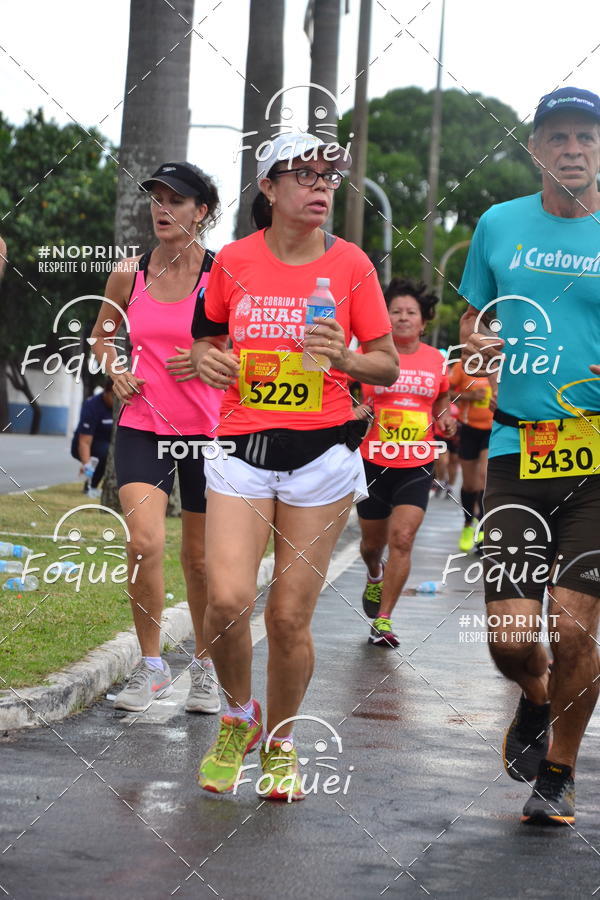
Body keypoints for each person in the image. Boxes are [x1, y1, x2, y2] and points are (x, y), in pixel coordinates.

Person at [191, 132, 398, 800]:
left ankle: (280, 742)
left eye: (329, 177)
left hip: (322, 458)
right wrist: (209, 359)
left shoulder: (352, 267)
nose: (320, 185)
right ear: (269, 188)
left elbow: (387, 364)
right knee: (226, 600)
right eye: (304, 174)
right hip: (241, 453)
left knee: (286, 618)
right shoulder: (233, 262)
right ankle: (236, 716)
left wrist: (343, 358)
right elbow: (206, 339)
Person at [459, 87, 600, 826]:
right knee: (513, 639)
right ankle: (535, 698)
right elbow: (472, 314)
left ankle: (560, 772)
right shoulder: (498, 224)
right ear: (536, 147)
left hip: (599, 458)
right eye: (558, 137)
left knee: (575, 628)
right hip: (518, 448)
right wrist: (477, 339)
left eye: (585, 136)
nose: (572, 148)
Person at [90, 161, 224, 714]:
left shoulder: (224, 275)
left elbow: (250, 349)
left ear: (203, 212)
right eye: (156, 199)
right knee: (144, 544)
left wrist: (215, 360)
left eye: (177, 200)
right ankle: (150, 670)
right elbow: (101, 334)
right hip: (143, 424)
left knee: (200, 561)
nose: (162, 209)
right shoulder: (130, 272)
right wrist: (113, 369)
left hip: (208, 432)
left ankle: (207, 670)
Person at [355, 278, 456, 647]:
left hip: (416, 461)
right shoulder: (369, 354)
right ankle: (373, 572)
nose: (402, 318)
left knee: (403, 537)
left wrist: (446, 417)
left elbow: (441, 399)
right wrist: (355, 410)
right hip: (374, 460)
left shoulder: (435, 359)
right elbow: (345, 389)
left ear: (423, 320)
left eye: (410, 312)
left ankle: (383, 620)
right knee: (372, 545)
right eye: (394, 311)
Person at [449, 358, 494, 551]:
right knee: (470, 485)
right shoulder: (463, 365)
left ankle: (484, 529)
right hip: (468, 429)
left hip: (493, 430)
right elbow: (447, 394)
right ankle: (468, 525)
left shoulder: (502, 364)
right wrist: (470, 396)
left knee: (485, 477)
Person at [70, 378, 114, 497]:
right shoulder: (92, 406)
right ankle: (90, 486)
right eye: (113, 396)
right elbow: (84, 442)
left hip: (106, 443)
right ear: (106, 391)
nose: (117, 400)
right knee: (106, 452)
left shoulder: (122, 405)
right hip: (85, 445)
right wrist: (87, 464)